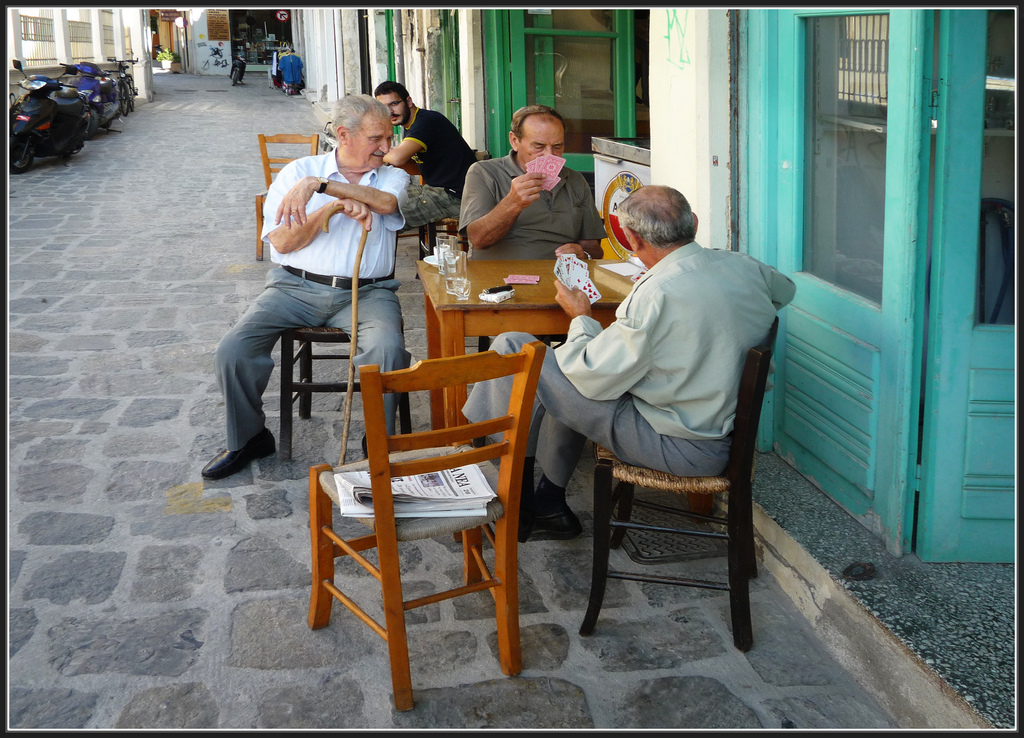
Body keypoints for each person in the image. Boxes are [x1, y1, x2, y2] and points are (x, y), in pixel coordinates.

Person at [462, 185, 795, 541]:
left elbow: (590, 378)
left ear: (632, 240)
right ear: (693, 223)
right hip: (714, 428)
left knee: (516, 348)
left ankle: (511, 495)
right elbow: (785, 290)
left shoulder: (656, 294)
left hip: (679, 444)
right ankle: (548, 503)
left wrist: (580, 316)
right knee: (557, 370)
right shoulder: (744, 265)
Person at [202, 95, 412, 480]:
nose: (386, 146)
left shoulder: (390, 173)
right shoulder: (297, 171)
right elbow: (281, 243)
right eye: (377, 138)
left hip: (368, 293)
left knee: (387, 349)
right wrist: (328, 208)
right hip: (293, 288)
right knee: (233, 351)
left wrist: (322, 187)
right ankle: (249, 438)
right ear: (344, 135)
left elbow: (384, 203)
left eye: (390, 136)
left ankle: (378, 443)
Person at [459, 104, 605, 261]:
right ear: (514, 141)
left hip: (559, 277)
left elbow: (594, 248)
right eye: (539, 146)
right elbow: (478, 240)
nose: (549, 155)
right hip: (500, 279)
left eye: (557, 146)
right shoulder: (484, 173)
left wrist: (583, 253)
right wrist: (512, 203)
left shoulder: (575, 180)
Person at [373, 81, 478, 228]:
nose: (389, 111)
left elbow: (397, 158)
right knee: (382, 196)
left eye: (394, 103)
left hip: (457, 196)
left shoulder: (426, 122)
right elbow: (404, 159)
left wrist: (371, 155)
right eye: (383, 107)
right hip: (437, 189)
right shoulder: (410, 123)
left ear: (408, 101)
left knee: (383, 217)